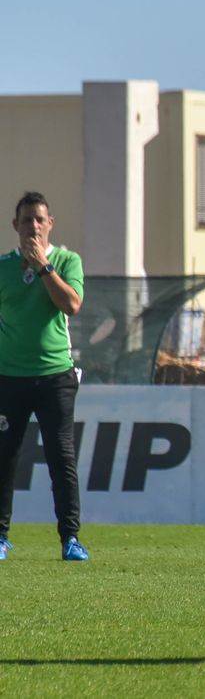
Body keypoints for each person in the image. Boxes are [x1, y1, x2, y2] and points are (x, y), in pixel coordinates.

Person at [0, 192, 88, 562]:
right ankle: (1, 537)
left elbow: (71, 304)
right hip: (9, 377)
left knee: (61, 457)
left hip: (55, 376)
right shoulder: (4, 267)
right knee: (5, 458)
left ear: (50, 224)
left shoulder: (67, 260)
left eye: (40, 219)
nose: (33, 226)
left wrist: (43, 267)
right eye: (27, 220)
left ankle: (71, 538)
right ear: (15, 225)